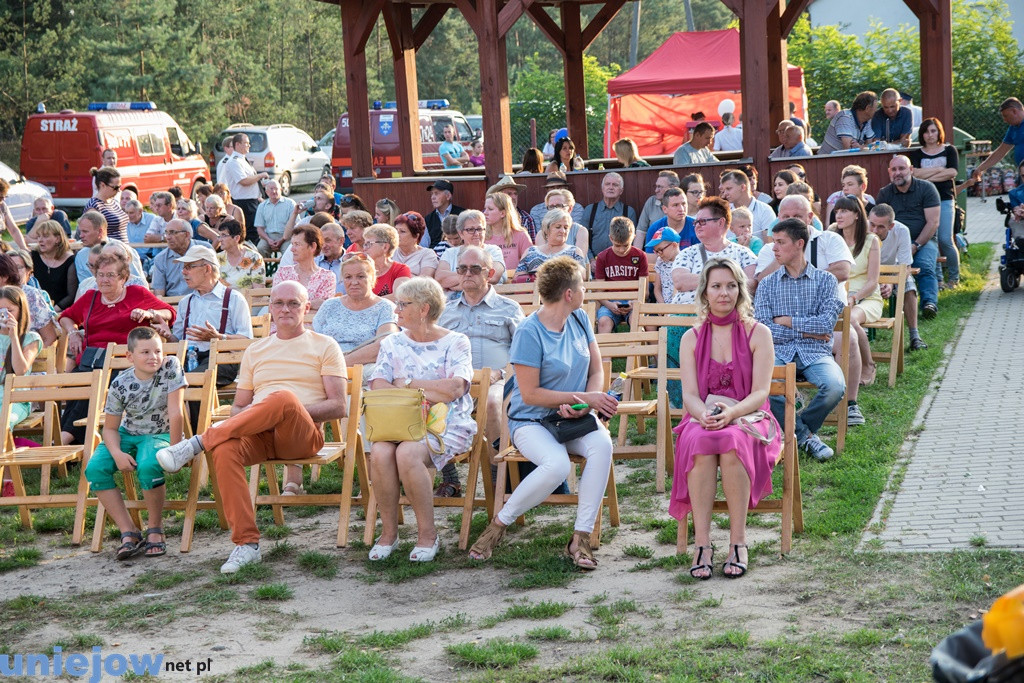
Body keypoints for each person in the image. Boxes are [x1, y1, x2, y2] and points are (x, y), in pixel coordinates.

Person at [155, 281, 348, 573]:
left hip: (302, 435)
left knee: (283, 397)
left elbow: (338, 406)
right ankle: (246, 544)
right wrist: (267, 414)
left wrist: (286, 410)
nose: (285, 309)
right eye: (279, 303)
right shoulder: (256, 350)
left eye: (293, 303)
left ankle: (197, 443)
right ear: (270, 308)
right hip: (260, 435)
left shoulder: (325, 345)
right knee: (225, 450)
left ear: (306, 308)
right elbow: (238, 408)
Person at [468, 257, 615, 568]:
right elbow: (531, 394)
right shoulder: (529, 332)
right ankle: (498, 525)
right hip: (530, 419)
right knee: (557, 465)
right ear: (568, 294)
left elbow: (596, 370)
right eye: (581, 286)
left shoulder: (579, 319)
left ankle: (581, 537)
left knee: (603, 446)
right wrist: (581, 398)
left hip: (574, 416)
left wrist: (584, 404)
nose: (585, 290)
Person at [670, 258, 780, 579]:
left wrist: (731, 412)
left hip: (750, 416)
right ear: (704, 292)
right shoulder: (690, 338)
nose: (724, 293)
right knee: (700, 442)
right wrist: (704, 415)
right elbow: (689, 394)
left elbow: (760, 393)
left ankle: (738, 542)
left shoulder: (759, 333)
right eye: (716, 286)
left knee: (732, 441)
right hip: (705, 417)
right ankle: (702, 544)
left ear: (740, 290)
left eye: (731, 286)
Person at [366, 277, 477, 563]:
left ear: (424, 309)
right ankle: (389, 533)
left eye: (403, 304)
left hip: (447, 424)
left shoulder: (456, 342)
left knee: (408, 452)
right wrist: (426, 391)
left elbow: (454, 389)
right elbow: (378, 384)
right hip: (400, 422)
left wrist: (408, 384)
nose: (396, 310)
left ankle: (428, 534)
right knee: (379, 452)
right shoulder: (393, 342)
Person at [85, 327, 185, 560]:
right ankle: (128, 531)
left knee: (149, 465)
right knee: (95, 469)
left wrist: (176, 451)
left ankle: (155, 529)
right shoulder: (120, 384)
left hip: (161, 433)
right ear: (130, 356)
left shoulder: (170, 367)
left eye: (158, 351)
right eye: (145, 352)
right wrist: (117, 453)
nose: (154, 357)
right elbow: (109, 428)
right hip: (127, 433)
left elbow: (176, 412)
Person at [59, 250, 175, 445]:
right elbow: (65, 317)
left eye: (110, 275)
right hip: (92, 360)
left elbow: (169, 312)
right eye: (100, 275)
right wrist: (73, 333)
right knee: (78, 389)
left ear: (124, 278)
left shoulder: (137, 294)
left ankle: (65, 439)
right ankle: (73, 444)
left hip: (124, 365)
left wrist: (148, 312)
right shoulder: (90, 297)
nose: (104, 280)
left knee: (95, 389)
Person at [754, 219, 845, 462]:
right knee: (764, 388)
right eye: (774, 242)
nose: (774, 248)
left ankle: (798, 431)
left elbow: (825, 325)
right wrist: (806, 330)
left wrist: (787, 321)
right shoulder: (766, 284)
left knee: (835, 387)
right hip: (779, 352)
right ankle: (806, 437)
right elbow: (764, 329)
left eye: (781, 242)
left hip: (816, 352)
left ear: (799, 244)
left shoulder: (826, 281)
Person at [436, 247, 525, 496]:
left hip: (499, 380)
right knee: (430, 401)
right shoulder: (446, 311)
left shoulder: (508, 308)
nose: (467, 274)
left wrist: (501, 373)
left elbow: (523, 352)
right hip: (457, 382)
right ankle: (450, 478)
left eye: (475, 269)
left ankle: (498, 477)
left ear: (490, 272)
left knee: (491, 403)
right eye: (462, 269)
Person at [829, 195, 882, 425]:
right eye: (837, 211)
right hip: (842, 296)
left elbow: (872, 280)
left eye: (844, 211)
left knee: (849, 320)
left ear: (857, 215)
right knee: (843, 317)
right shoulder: (832, 237)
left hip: (867, 297)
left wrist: (855, 297)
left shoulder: (871, 240)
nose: (839, 215)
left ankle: (868, 366)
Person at [875, 155, 941, 319]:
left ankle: (929, 303)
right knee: (887, 269)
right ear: (889, 172)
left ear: (911, 170)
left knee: (924, 266)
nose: (898, 173)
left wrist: (916, 245)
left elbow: (933, 222)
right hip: (894, 242)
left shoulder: (927, 188)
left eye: (902, 168)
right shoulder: (885, 193)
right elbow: (878, 223)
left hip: (925, 240)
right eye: (894, 169)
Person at [754, 194, 853, 300]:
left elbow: (842, 271)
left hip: (827, 311)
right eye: (786, 217)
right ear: (779, 218)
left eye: (797, 216)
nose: (791, 222)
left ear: (810, 217)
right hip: (785, 311)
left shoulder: (830, 239)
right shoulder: (770, 249)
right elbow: (762, 283)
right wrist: (783, 253)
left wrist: (801, 285)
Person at [312, 252, 397, 366]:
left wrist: (338, 364)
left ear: (372, 278)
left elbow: (383, 345)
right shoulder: (329, 305)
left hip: (364, 369)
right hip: (324, 365)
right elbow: (312, 340)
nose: (354, 282)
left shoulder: (385, 307)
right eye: (348, 277)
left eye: (361, 276)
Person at [671, 197, 757, 305]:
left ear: (721, 222)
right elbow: (680, 282)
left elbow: (752, 284)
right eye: (696, 222)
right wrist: (727, 282)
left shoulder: (743, 253)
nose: (697, 226)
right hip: (685, 315)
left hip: (729, 316)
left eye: (702, 222)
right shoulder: (687, 253)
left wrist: (708, 282)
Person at [0, 286, 44, 498]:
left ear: (21, 311)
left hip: (17, 399)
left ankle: (7, 479)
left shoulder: (31, 338)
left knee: (2, 423)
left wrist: (13, 336)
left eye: (10, 310)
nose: (5, 315)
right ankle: (20, 449)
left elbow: (20, 369)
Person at [910, 118, 961, 288]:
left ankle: (954, 278)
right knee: (932, 239)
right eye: (926, 131)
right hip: (924, 202)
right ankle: (938, 280)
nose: (930, 135)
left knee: (946, 239)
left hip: (946, 198)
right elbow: (914, 173)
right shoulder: (917, 153)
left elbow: (952, 172)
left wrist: (928, 177)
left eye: (933, 131)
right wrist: (939, 170)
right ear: (922, 134)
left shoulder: (949, 150)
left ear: (939, 132)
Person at [869, 204, 928, 351]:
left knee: (909, 286)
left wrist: (891, 283)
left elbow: (905, 266)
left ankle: (915, 336)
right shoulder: (863, 229)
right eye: (872, 225)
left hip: (894, 270)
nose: (875, 230)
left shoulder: (901, 231)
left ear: (891, 226)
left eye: (881, 227)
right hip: (868, 271)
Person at [594, 217, 648, 333]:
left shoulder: (640, 256)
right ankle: (604, 350)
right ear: (611, 238)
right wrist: (609, 304)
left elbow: (645, 291)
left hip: (634, 301)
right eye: (617, 245)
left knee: (637, 320)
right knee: (603, 321)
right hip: (610, 301)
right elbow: (599, 291)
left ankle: (637, 350)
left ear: (633, 238)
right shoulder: (603, 257)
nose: (622, 249)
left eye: (626, 245)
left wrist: (634, 303)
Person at [435, 211, 505, 291]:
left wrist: (455, 285)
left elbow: (494, 276)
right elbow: (440, 279)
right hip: (453, 302)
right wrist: (476, 277)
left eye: (479, 229)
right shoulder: (450, 253)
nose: (476, 233)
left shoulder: (494, 251)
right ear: (461, 233)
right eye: (471, 229)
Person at [514, 208, 589, 282]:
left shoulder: (574, 251)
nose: (563, 231)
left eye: (566, 227)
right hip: (534, 292)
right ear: (547, 229)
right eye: (558, 227)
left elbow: (582, 276)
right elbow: (517, 278)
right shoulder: (531, 252)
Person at [272, 225, 336, 310]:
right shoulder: (283, 272)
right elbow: (275, 307)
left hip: (313, 323)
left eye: (297, 244)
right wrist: (311, 304)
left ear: (313, 246)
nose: (292, 249)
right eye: (292, 244)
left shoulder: (327, 277)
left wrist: (290, 305)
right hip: (284, 322)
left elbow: (323, 312)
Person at [73, 210, 145, 284]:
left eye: (85, 231)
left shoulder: (124, 251)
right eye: (80, 231)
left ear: (100, 231)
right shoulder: (81, 256)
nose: (81, 235)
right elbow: (85, 286)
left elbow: (138, 282)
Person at [219, 133, 268, 239]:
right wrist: (260, 175)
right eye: (246, 143)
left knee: (255, 231)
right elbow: (243, 181)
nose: (249, 145)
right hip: (244, 203)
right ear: (237, 144)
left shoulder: (243, 160)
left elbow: (250, 179)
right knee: (249, 233)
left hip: (253, 201)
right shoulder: (234, 161)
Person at [584, 172, 638, 264]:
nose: (611, 187)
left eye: (615, 185)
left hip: (620, 262)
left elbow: (632, 241)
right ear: (602, 188)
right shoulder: (590, 210)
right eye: (607, 184)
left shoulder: (628, 211)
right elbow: (583, 238)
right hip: (594, 263)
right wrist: (591, 259)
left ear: (621, 190)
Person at [971, 98, 1024, 181]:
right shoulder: (1013, 128)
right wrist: (980, 168)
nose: (1005, 120)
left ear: (1014, 111)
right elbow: (1001, 151)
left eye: (1006, 116)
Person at [30, 220, 77, 312]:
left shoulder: (70, 260)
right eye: (39, 236)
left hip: (61, 309)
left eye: (45, 236)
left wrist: (52, 311)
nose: (40, 240)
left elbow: (71, 295)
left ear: (58, 239)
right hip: (36, 309)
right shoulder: (33, 256)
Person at [718, 170, 776, 242]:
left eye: (729, 189)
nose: (725, 193)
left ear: (743, 187)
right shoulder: (723, 212)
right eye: (724, 190)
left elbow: (769, 245)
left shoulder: (765, 210)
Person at [639, 187, 697, 257]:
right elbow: (650, 260)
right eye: (675, 205)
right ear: (665, 209)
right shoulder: (655, 229)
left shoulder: (697, 226)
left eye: (684, 204)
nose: (681, 209)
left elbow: (702, 259)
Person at [484, 192, 532, 273]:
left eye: (490, 209)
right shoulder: (482, 236)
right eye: (485, 208)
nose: (485, 212)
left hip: (516, 283)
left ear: (503, 213)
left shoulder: (521, 235)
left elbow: (530, 263)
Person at [150, 219, 199, 297]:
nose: (168, 237)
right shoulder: (160, 258)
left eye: (173, 232)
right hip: (171, 303)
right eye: (166, 233)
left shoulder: (204, 249)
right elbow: (159, 292)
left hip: (200, 301)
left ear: (187, 235)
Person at [363, 224, 411, 298]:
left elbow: (399, 296)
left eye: (369, 244)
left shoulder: (400, 269)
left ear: (385, 247)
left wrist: (369, 303)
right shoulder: (362, 270)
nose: (364, 248)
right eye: (365, 244)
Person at [216, 219, 266, 289]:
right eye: (219, 236)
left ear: (237, 238)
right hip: (222, 299)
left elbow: (258, 291)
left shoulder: (254, 258)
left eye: (224, 235)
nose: (219, 240)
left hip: (247, 299)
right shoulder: (217, 258)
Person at [84, 167, 129, 243]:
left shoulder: (114, 202)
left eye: (119, 187)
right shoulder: (94, 206)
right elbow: (91, 235)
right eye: (115, 187)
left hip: (123, 249)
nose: (119, 190)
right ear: (102, 185)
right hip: (109, 251)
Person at [254, 179, 297, 258]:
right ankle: (266, 269)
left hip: (286, 237)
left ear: (281, 190)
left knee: (290, 252)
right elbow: (259, 228)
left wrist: (282, 240)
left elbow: (296, 225)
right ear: (266, 192)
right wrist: (268, 240)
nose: (274, 191)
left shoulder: (290, 203)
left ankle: (285, 269)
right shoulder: (262, 206)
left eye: (276, 189)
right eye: (271, 189)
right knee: (260, 249)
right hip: (268, 236)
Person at [486, 176, 536, 241]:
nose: (514, 197)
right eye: (509, 194)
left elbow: (531, 248)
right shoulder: (485, 216)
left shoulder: (526, 218)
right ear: (498, 197)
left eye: (515, 194)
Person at [393, 211, 439, 279]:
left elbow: (424, 282)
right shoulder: (389, 253)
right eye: (396, 230)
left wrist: (400, 274)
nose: (397, 234)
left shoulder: (427, 254)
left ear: (416, 236)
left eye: (402, 231)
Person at [423, 179, 465, 248]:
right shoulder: (428, 219)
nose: (432, 197)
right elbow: (424, 246)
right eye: (432, 194)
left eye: (436, 193)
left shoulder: (462, 215)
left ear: (448, 196)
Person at [637, 170, 680, 236]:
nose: (656, 190)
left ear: (672, 187)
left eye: (660, 187)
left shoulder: (682, 204)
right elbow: (641, 230)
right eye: (656, 186)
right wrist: (637, 247)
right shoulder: (651, 202)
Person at [647, 227, 681, 303]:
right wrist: (663, 307)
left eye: (661, 250)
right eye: (656, 251)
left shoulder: (684, 261)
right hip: (663, 307)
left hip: (679, 307)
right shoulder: (660, 262)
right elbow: (657, 289)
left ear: (674, 245)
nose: (659, 255)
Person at [315, 222, 347, 294]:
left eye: (328, 240)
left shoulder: (353, 263)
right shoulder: (313, 263)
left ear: (341, 241)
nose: (323, 246)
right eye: (321, 241)